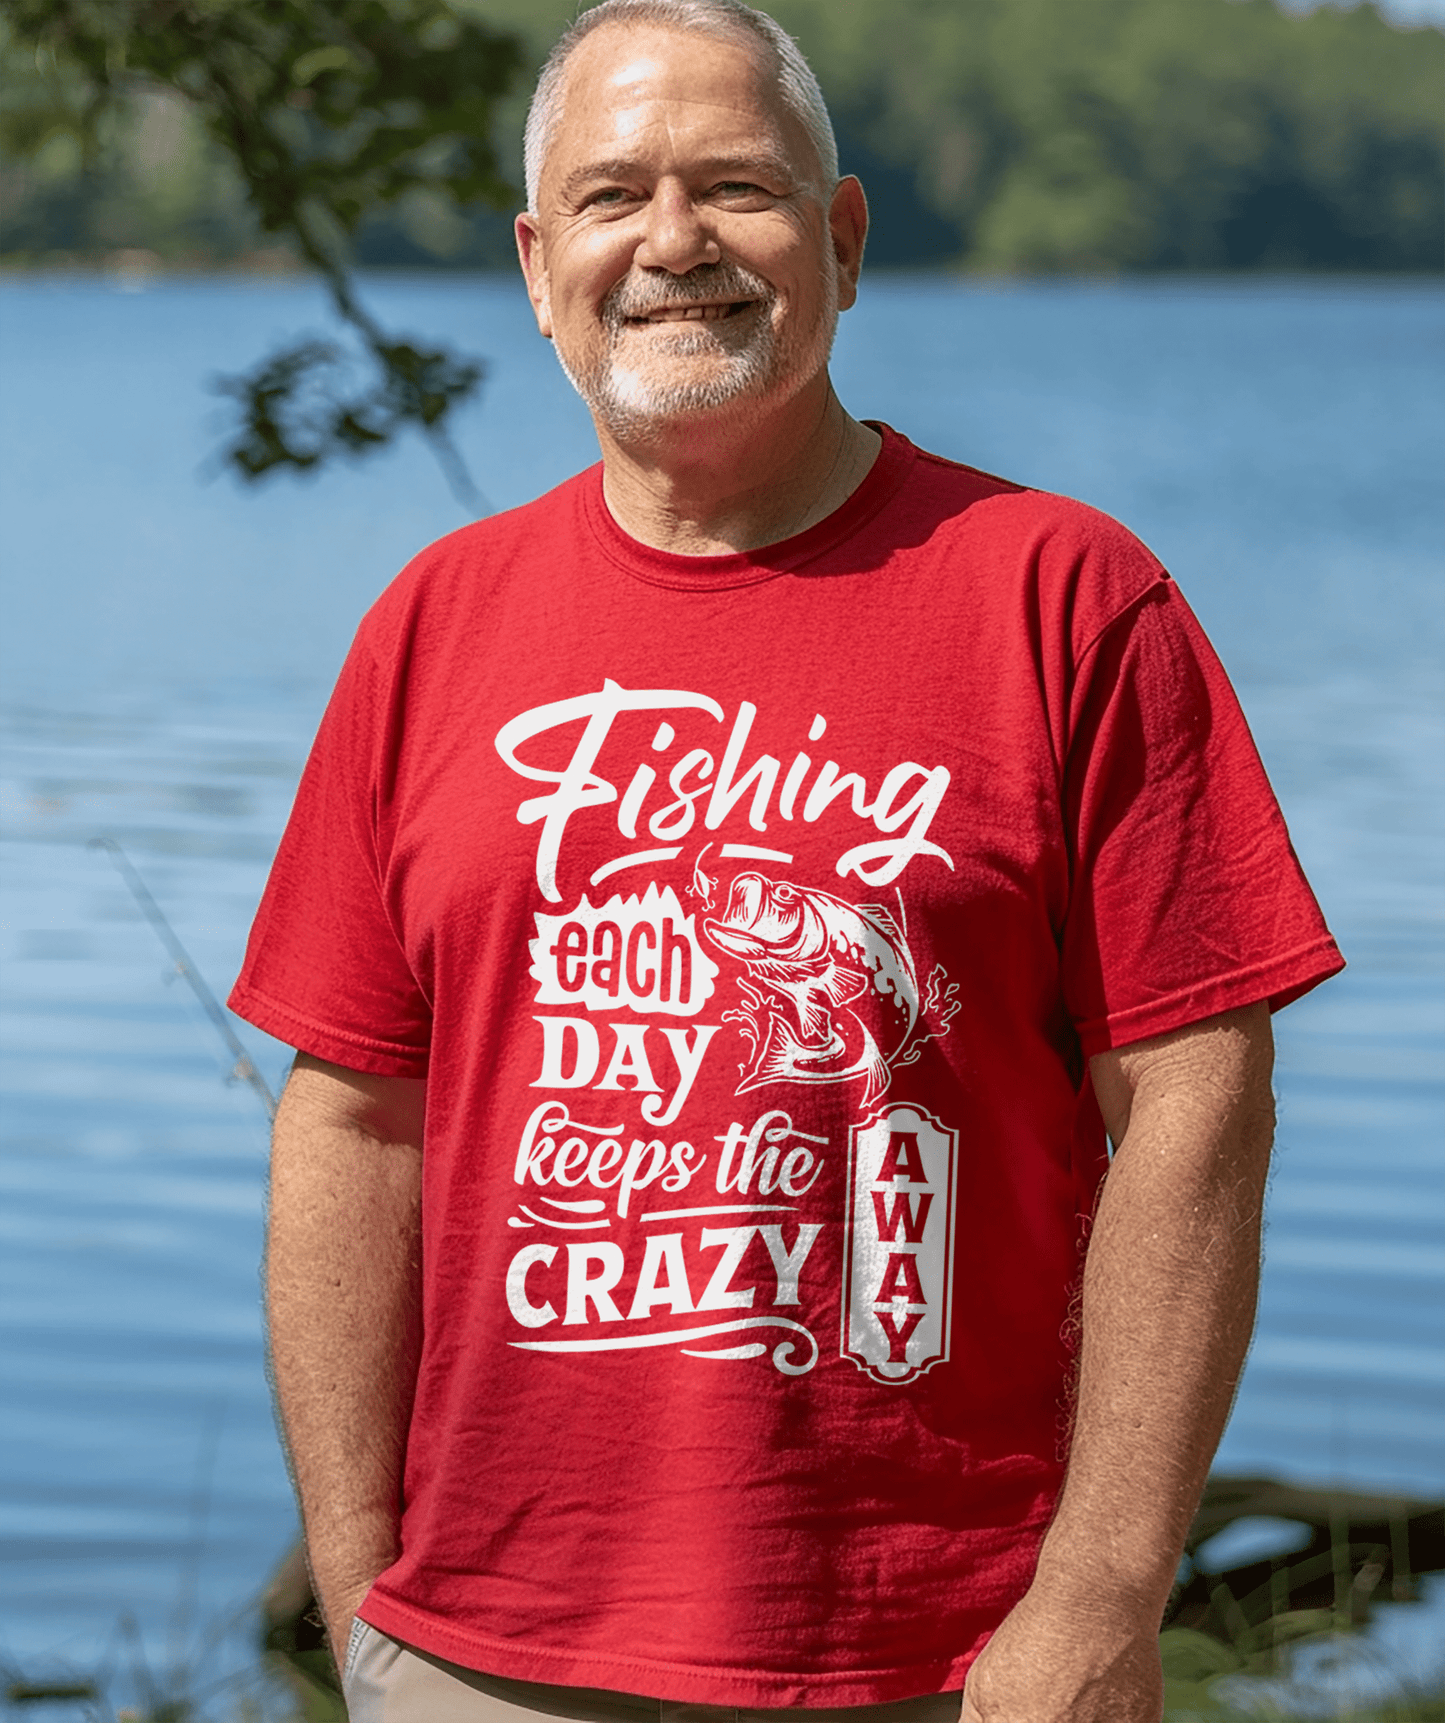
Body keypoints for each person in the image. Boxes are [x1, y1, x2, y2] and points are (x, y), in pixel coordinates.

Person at [230, 4, 1344, 1720]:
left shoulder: (1060, 596)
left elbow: (1199, 1097)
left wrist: (1102, 1593)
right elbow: (351, 1111)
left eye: (736, 187)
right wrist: (365, 1576)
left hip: (942, 1656)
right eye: (612, 197)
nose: (671, 243)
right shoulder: (433, 626)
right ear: (539, 268)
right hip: (482, 1653)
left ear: (841, 239)